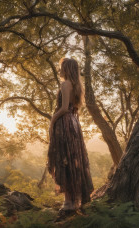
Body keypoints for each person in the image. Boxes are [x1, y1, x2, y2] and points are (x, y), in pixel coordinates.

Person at [47, 58, 94, 215]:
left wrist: (52, 120)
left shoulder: (66, 84)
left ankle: (68, 203)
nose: (59, 70)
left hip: (65, 123)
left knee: (65, 159)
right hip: (73, 123)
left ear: (66, 68)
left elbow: (65, 108)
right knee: (71, 159)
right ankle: (72, 201)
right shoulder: (76, 85)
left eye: (61, 67)